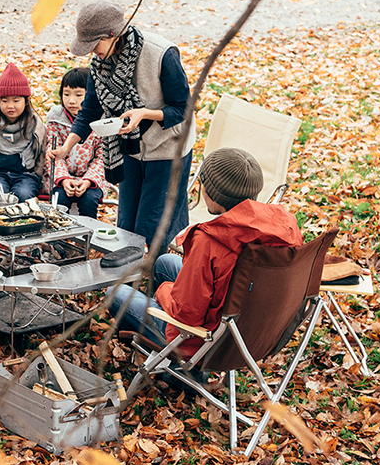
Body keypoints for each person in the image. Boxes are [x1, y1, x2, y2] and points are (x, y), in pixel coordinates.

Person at [107, 148, 302, 356]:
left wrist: (165, 291)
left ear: (211, 193)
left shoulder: (209, 241)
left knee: (115, 294)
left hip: (200, 342)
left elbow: (187, 315)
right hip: (249, 334)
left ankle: (174, 366)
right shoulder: (283, 226)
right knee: (165, 262)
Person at [47, 1, 196, 247]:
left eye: (95, 44)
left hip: (168, 148)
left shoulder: (161, 54)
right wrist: (66, 148)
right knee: (127, 224)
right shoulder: (100, 64)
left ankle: (160, 279)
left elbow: (182, 109)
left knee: (154, 225)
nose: (92, 51)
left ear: (112, 35)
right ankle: (128, 277)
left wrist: (145, 114)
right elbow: (90, 111)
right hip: (129, 146)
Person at [45, 69, 106, 217]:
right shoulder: (56, 118)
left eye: (79, 95)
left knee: (89, 199)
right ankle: (57, 235)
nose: (71, 100)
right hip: (60, 178)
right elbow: (53, 152)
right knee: (59, 197)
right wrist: (64, 179)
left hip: (91, 179)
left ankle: (87, 236)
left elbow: (101, 157)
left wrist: (88, 181)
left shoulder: (102, 119)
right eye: (66, 94)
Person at [0, 63, 45, 203]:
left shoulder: (35, 125)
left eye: (16, 100)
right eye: (4, 101)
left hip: (26, 174)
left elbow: (41, 154)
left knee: (23, 195)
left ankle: (22, 224)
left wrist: (39, 176)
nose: (10, 106)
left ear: (26, 101)